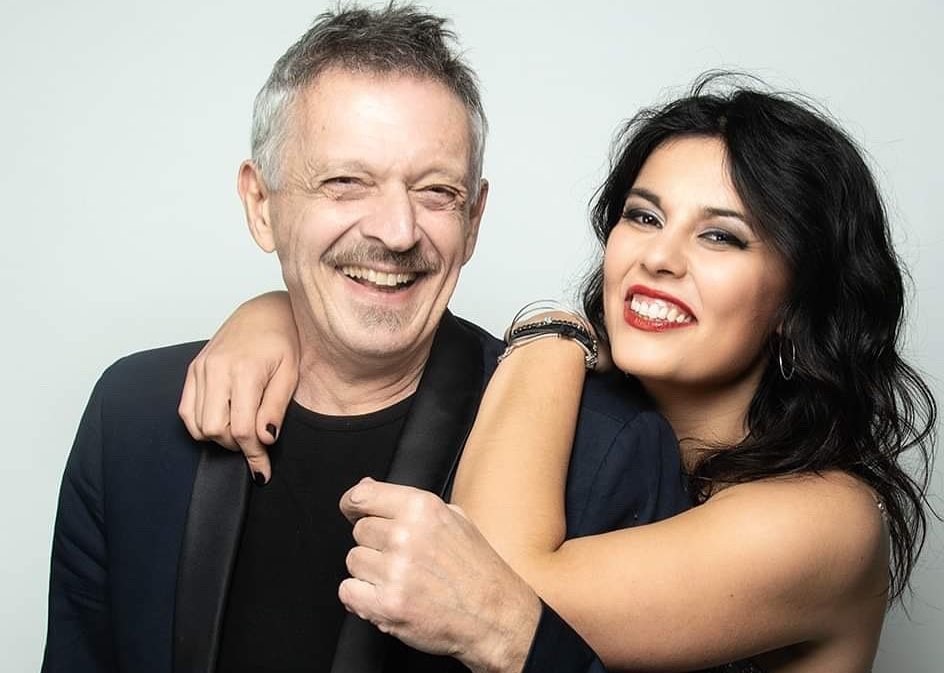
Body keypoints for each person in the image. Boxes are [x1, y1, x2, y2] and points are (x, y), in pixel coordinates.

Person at [187, 75, 937, 672]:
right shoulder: (597, 430)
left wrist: (550, 333)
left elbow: (488, 588)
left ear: (797, 303)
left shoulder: (824, 519)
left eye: (721, 236)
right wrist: (279, 312)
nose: (659, 256)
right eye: (644, 217)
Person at [42, 5, 689, 673]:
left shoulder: (607, 448)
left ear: (473, 220)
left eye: (436, 192)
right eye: (345, 183)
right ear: (261, 205)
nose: (397, 231)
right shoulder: (132, 416)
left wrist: (509, 635)